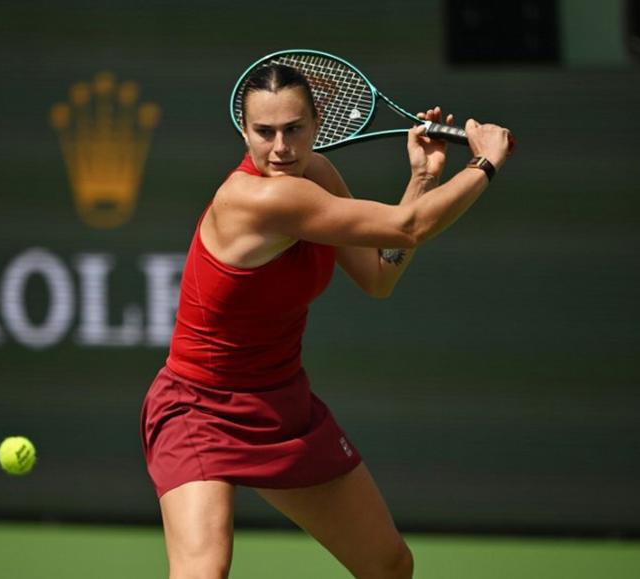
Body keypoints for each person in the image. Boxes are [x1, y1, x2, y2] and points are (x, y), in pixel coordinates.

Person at [140, 63, 512, 579]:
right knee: (205, 572)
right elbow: (407, 229)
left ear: (318, 124)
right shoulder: (256, 198)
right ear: (243, 132)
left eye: (293, 129)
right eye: (263, 132)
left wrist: (422, 179)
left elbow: (379, 274)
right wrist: (485, 163)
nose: (280, 148)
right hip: (199, 409)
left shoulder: (316, 175)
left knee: (389, 565)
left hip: (282, 407)